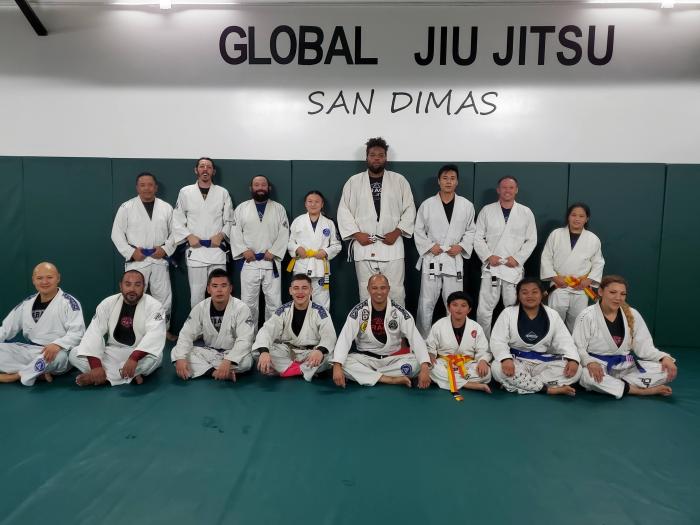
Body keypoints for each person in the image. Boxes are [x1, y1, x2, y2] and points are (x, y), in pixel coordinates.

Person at [337, 137, 416, 305]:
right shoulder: (353, 182)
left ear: (386, 157)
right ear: (366, 157)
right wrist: (356, 234)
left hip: (392, 246)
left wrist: (397, 232)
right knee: (365, 291)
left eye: (381, 155)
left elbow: (410, 209)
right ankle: (367, 323)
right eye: (372, 155)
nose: (377, 158)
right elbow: (344, 211)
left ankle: (396, 323)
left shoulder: (399, 180)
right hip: (364, 245)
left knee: (396, 291)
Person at [573, 275, 677, 398]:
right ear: (600, 292)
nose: (618, 298)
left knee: (665, 370)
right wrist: (589, 362)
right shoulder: (587, 315)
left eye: (623, 294)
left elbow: (645, 347)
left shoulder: (632, 314)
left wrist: (664, 357)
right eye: (613, 292)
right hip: (598, 366)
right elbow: (577, 347)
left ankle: (616, 386)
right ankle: (640, 390)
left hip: (626, 367)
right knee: (586, 375)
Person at [332, 274, 431, 388]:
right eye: (374, 288)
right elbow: (345, 338)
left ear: (388, 289)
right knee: (342, 363)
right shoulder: (358, 311)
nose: (379, 292)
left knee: (418, 363)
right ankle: (389, 379)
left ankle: (368, 376)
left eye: (383, 288)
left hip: (392, 360)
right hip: (366, 360)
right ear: (368, 289)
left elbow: (416, 339)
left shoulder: (400, 313)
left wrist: (424, 366)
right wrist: (337, 364)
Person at [69, 270, 165, 386]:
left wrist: (134, 358)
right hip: (113, 351)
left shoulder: (154, 306)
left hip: (139, 352)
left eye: (137, 285)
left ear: (144, 287)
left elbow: (154, 335)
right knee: (74, 354)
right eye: (128, 284)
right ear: (121, 286)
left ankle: (103, 377)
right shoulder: (108, 303)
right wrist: (96, 366)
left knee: (156, 356)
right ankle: (128, 375)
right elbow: (94, 332)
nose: (132, 289)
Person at [490, 278, 581, 395]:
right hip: (516, 361)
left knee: (577, 370)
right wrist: (506, 359)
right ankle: (548, 389)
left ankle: (521, 383)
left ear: (542, 294)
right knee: (497, 367)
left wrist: (573, 360)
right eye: (524, 292)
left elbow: (565, 341)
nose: (530, 296)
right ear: (518, 295)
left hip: (542, 363)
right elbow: (498, 341)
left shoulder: (553, 314)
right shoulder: (508, 313)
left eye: (534, 292)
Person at [414, 164, 476, 337]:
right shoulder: (427, 205)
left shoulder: (466, 205)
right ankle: (423, 340)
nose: (449, 182)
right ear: (439, 181)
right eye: (445, 178)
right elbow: (418, 230)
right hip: (432, 257)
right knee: (426, 302)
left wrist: (461, 246)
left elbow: (471, 231)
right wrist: (429, 246)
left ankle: (453, 339)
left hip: (453, 258)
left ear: (457, 182)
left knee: (455, 302)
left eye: (452, 178)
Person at [111, 172, 176, 334]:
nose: (147, 188)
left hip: (158, 259)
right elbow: (116, 234)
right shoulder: (126, 207)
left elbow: (176, 233)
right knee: (132, 295)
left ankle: (162, 331)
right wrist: (131, 252)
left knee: (164, 297)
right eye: (142, 185)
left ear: (156, 187)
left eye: (150, 185)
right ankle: (130, 329)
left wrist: (165, 249)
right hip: (137, 261)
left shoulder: (166, 208)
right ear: (137, 187)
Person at [0, 262, 85, 386]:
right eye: (39, 278)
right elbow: (5, 329)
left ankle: (16, 376)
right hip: (31, 351)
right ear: (33, 280)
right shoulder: (27, 303)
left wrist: (57, 344)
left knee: (58, 358)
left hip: (58, 353)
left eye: (49, 277)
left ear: (58, 278)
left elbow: (78, 333)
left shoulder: (69, 302)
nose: (44, 282)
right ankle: (38, 373)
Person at [474, 176, 537, 338]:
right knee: (484, 310)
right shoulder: (487, 210)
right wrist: (488, 256)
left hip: (513, 268)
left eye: (511, 187)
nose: (507, 190)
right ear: (498, 190)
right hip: (492, 268)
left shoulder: (525, 212)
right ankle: (482, 344)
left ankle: (513, 342)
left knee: (513, 309)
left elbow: (531, 240)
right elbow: (477, 237)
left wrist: (517, 258)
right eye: (504, 187)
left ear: (516, 190)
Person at [172, 269, 254, 382]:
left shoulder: (241, 308)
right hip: (210, 352)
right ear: (208, 289)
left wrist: (229, 360)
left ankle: (206, 369)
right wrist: (181, 358)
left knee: (246, 362)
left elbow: (245, 339)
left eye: (224, 286)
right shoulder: (200, 307)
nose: (219, 290)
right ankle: (216, 372)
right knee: (176, 352)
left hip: (232, 353)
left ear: (230, 288)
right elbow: (186, 334)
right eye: (215, 286)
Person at [229, 175, 290, 329]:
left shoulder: (278, 208)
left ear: (269, 188)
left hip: (271, 261)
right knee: (248, 302)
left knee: (274, 302)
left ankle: (272, 335)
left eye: (263, 185)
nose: (260, 187)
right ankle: (248, 335)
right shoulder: (242, 208)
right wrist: (243, 250)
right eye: (257, 185)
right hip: (250, 262)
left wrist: (274, 251)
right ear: (251, 188)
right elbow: (235, 232)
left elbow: (284, 233)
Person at [173, 157, 233, 307]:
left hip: (217, 251)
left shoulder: (222, 192)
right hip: (195, 251)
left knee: (220, 294)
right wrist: (188, 236)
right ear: (196, 170)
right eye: (201, 166)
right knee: (196, 295)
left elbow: (230, 220)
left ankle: (221, 322)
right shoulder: (185, 192)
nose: (205, 169)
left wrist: (221, 235)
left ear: (213, 171)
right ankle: (197, 323)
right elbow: (177, 219)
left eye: (208, 167)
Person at [254, 274, 337, 381]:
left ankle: (287, 369)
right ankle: (303, 370)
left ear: (311, 290)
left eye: (304, 288)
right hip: (288, 352)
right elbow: (267, 331)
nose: (300, 292)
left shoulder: (321, 312)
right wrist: (264, 352)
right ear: (290, 291)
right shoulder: (283, 310)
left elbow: (329, 336)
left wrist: (320, 351)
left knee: (330, 358)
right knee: (258, 352)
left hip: (311, 353)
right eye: (296, 288)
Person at [540, 202, 605, 332]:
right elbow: (546, 257)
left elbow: (598, 262)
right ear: (568, 217)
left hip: (581, 287)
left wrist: (589, 280)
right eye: (573, 215)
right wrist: (555, 277)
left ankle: (575, 345)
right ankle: (553, 344)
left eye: (581, 216)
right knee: (554, 320)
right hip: (559, 285)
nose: (577, 219)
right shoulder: (556, 234)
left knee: (578, 323)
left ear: (587, 219)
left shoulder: (593, 239)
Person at [426, 291, 491, 399]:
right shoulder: (439, 325)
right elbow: (430, 346)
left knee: (487, 373)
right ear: (448, 307)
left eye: (463, 306)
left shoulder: (476, 327)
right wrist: (431, 355)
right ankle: (469, 384)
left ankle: (447, 381)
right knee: (431, 368)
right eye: (455, 305)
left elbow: (483, 350)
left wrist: (483, 361)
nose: (459, 309)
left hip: (467, 364)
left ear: (469, 309)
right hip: (445, 363)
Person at [287, 190, 342, 311]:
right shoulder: (298, 221)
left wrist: (326, 252)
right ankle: (300, 322)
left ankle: (322, 323)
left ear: (322, 204)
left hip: (320, 267)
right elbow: (290, 242)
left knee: (322, 302)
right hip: (302, 265)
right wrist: (297, 248)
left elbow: (337, 245)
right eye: (310, 201)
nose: (313, 204)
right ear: (305, 204)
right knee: (300, 298)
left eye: (317, 201)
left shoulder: (329, 223)